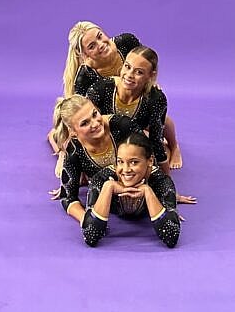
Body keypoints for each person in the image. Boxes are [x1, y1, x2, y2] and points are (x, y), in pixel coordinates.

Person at [52, 21, 182, 168]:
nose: (101, 44)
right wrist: (69, 155)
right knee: (67, 132)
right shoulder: (85, 77)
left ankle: (174, 145)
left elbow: (144, 62)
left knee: (162, 119)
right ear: (83, 55)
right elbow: (80, 112)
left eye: (100, 36)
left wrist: (150, 83)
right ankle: (62, 150)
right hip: (107, 115)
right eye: (92, 46)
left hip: (136, 101)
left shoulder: (126, 42)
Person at [82, 132, 187, 248]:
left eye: (134, 162)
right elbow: (90, 236)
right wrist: (108, 187)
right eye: (120, 161)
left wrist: (148, 192)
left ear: (150, 161)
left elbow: (171, 237)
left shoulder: (161, 181)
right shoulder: (102, 179)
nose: (126, 170)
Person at [51, 95, 135, 224]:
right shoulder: (75, 150)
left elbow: (150, 162)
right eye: (85, 123)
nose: (95, 124)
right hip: (109, 191)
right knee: (58, 143)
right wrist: (87, 219)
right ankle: (55, 145)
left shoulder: (121, 126)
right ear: (73, 131)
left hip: (132, 186)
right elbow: (67, 197)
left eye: (95, 114)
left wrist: (164, 202)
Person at [86, 45, 169, 170]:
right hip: (105, 140)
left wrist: (166, 179)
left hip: (133, 142)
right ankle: (59, 150)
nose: (129, 74)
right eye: (127, 66)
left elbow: (155, 140)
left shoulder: (156, 98)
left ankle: (174, 147)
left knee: (166, 124)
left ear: (151, 76)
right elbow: (84, 127)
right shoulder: (101, 88)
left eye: (139, 72)